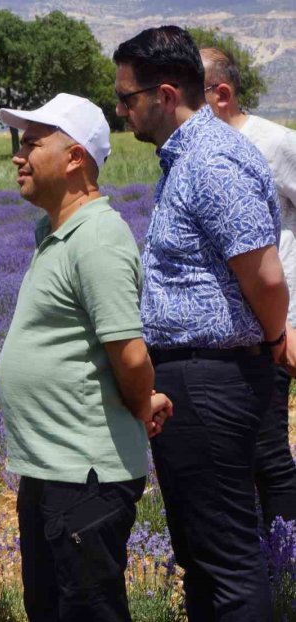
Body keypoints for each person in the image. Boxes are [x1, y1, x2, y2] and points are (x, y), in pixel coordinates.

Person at [113, 26, 287, 620]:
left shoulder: (211, 160)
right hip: (196, 375)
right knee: (204, 554)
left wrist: (270, 340)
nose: (120, 110)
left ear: (165, 94)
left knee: (228, 559)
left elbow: (265, 277)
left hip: (212, 375)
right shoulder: (186, 158)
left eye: (126, 98)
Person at [0, 93, 173, 622]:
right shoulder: (51, 232)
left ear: (75, 158)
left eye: (31, 143)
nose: (17, 155)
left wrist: (142, 403)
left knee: (88, 610)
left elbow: (131, 354)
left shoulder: (97, 236)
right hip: (50, 469)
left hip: (86, 477)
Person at [201, 46, 296, 530]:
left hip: (277, 326)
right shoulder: (193, 150)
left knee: (269, 452)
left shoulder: (275, 143)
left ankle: (284, 571)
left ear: (222, 94)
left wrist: (294, 320)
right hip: (226, 332)